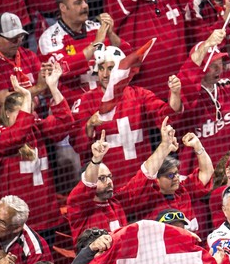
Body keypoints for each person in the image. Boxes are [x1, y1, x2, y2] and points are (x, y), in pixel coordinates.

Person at [71, 45, 181, 190]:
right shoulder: (85, 101)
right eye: (101, 68)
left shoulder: (140, 95)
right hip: (106, 187)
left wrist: (175, 93)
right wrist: (89, 125)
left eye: (110, 68)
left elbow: (168, 117)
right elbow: (78, 146)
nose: (104, 74)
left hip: (141, 182)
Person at [0, 70, 73, 234]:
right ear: (7, 112)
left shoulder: (37, 127)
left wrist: (54, 88)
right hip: (14, 222)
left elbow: (65, 122)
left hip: (46, 217)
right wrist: (27, 96)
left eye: (31, 110)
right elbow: (17, 136)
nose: (29, 116)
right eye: (23, 112)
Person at [172, 31, 230, 174]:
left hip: (229, 172)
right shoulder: (188, 93)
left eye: (220, 63)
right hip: (198, 175)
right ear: (200, 69)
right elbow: (187, 78)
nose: (218, 69)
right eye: (212, 65)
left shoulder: (228, 88)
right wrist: (208, 44)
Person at [38, 0, 124, 110]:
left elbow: (127, 55)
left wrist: (111, 35)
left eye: (85, 1)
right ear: (63, 7)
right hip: (71, 108)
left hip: (106, 103)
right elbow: (62, 67)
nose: (85, 6)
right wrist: (96, 44)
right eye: (78, 2)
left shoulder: (96, 28)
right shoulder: (49, 38)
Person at [119, 127, 213, 232]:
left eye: (177, 173)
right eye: (170, 175)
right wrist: (164, 146)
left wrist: (198, 146)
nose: (176, 178)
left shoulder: (183, 190)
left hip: (190, 245)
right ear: (157, 179)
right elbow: (146, 172)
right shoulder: (145, 199)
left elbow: (207, 172)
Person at [0, 13, 44, 130]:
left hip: (33, 125)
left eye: (20, 37)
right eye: (12, 39)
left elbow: (46, 89)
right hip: (3, 133)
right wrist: (39, 88)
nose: (17, 42)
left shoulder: (28, 55)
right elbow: (8, 101)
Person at [66, 134, 129, 240]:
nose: (109, 182)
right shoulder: (78, 207)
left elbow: (142, 179)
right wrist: (96, 159)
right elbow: (88, 185)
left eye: (109, 177)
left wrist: (164, 145)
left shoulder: (116, 201)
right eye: (102, 178)